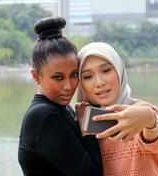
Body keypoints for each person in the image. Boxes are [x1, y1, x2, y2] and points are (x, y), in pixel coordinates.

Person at [18, 17, 103, 176]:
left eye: (74, 74)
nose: (69, 86)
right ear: (36, 75)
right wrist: (87, 130)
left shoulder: (60, 107)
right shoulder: (45, 116)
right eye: (58, 77)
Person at [76, 42, 158, 176]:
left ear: (119, 70)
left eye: (106, 70)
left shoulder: (138, 111)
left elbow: (153, 132)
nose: (100, 82)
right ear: (80, 83)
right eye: (88, 76)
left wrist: (148, 118)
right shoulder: (79, 123)